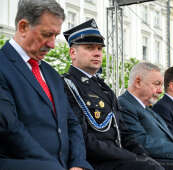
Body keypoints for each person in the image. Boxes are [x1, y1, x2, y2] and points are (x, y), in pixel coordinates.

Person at [0, 0, 92, 170]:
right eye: (46, 34)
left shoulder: (51, 74)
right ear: (23, 27)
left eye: (55, 36)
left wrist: (78, 163)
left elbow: (71, 122)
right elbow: (10, 129)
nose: (52, 44)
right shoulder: (2, 66)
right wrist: (53, 166)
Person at [62, 19, 164, 170]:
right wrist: (131, 158)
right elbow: (83, 138)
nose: (97, 53)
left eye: (99, 49)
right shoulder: (67, 85)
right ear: (73, 52)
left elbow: (123, 131)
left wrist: (141, 155)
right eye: (89, 48)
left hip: (117, 157)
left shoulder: (104, 88)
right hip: (94, 161)